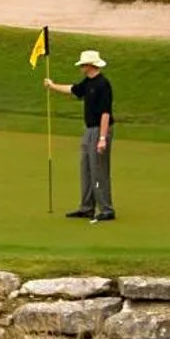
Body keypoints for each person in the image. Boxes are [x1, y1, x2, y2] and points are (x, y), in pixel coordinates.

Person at [45, 49, 115, 222]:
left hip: (100, 129)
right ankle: (87, 207)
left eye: (83, 64)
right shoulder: (88, 82)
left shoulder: (103, 84)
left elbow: (106, 113)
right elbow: (73, 89)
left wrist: (102, 138)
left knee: (98, 170)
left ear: (90, 65)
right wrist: (52, 86)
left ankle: (106, 209)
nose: (81, 67)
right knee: (86, 168)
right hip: (88, 129)